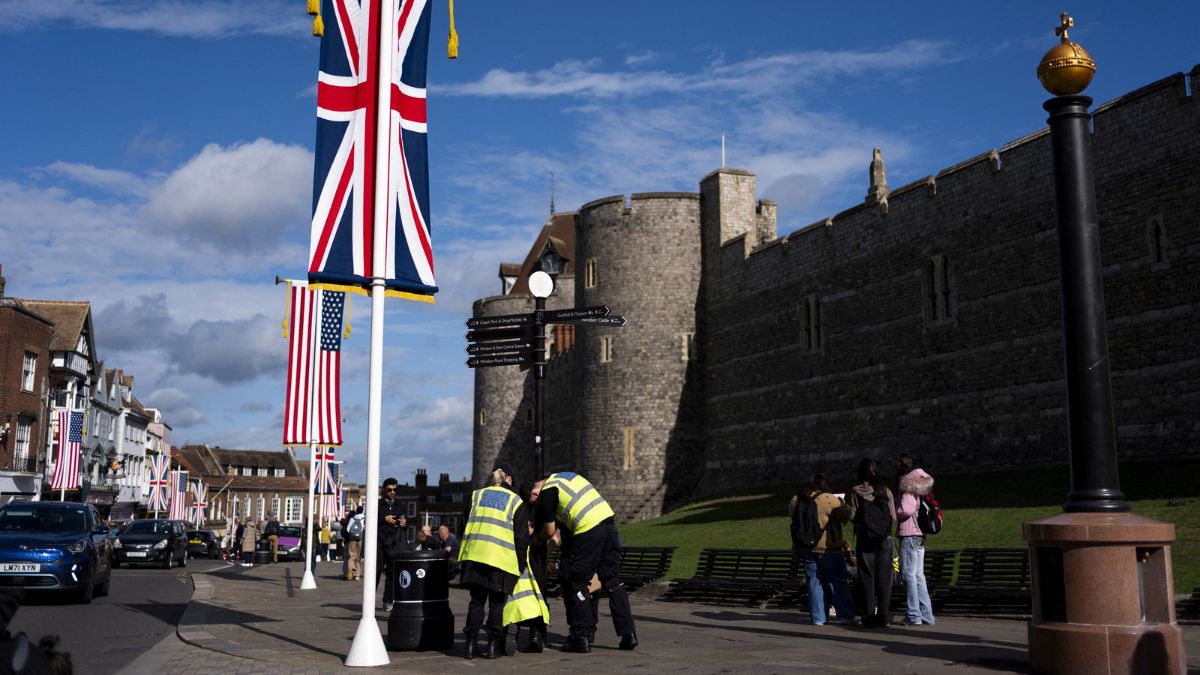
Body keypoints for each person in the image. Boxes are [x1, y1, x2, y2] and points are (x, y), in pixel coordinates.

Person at [532, 470, 636, 653]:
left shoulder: (548, 491)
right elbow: (563, 531)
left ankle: (581, 636)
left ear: (537, 487)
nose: (534, 500)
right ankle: (629, 635)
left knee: (576, 581)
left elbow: (549, 532)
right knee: (612, 581)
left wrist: (538, 541)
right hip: (609, 523)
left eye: (534, 497)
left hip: (589, 529)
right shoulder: (568, 478)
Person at [458, 464, 529, 660]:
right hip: (501, 560)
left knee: (476, 602)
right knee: (497, 605)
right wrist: (520, 566)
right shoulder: (516, 502)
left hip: (475, 557)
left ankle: (470, 646)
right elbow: (521, 539)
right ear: (508, 480)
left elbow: (463, 527)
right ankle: (491, 646)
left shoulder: (476, 496)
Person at [789, 472, 856, 626]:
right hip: (828, 548)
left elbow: (794, 520)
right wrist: (842, 502)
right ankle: (845, 615)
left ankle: (818, 618)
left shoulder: (796, 499)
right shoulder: (829, 499)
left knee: (814, 582)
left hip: (806, 547)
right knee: (838, 581)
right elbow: (845, 518)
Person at [846, 458, 897, 628]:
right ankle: (884, 615)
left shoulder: (855, 491)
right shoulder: (885, 490)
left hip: (865, 539)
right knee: (884, 578)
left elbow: (852, 516)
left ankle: (868, 616)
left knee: (867, 578)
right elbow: (893, 517)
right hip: (885, 539)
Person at [896, 460, 936, 626]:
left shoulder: (908, 486)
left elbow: (906, 509)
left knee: (908, 575)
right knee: (919, 575)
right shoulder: (923, 487)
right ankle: (927, 614)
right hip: (920, 534)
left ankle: (914, 614)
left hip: (909, 533)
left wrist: (895, 509)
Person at [377, 478, 407, 611]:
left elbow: (405, 522)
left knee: (391, 573)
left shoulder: (400, 505)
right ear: (384, 490)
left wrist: (404, 523)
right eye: (389, 490)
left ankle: (388, 600)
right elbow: (369, 520)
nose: (392, 492)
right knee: (375, 572)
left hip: (394, 543)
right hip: (379, 543)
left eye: (394, 490)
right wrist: (384, 519)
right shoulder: (377, 504)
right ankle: (369, 600)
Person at [344, 506, 365, 581]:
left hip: (352, 539)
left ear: (356, 511)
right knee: (358, 558)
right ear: (362, 511)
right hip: (360, 539)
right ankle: (357, 575)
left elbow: (348, 529)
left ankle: (350, 574)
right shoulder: (364, 518)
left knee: (352, 556)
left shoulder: (352, 519)